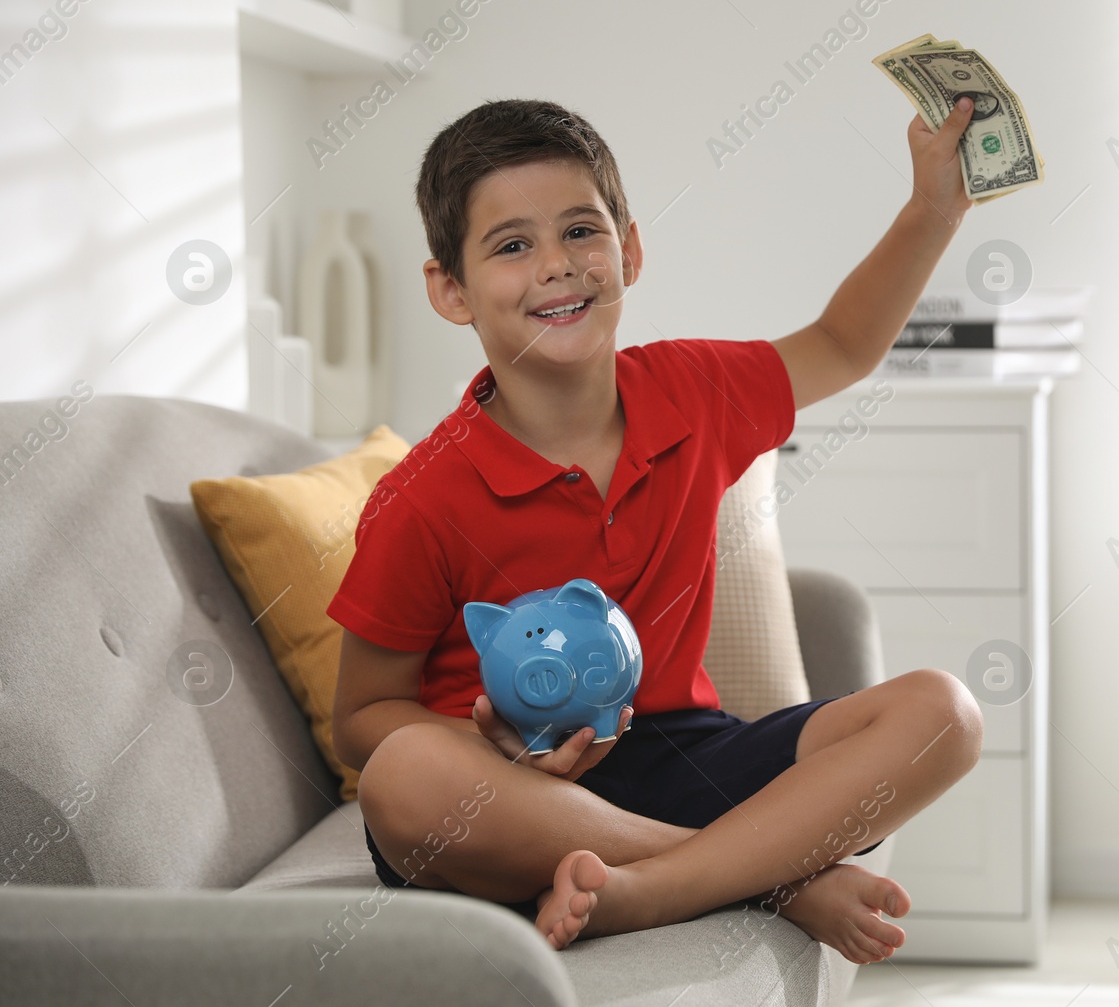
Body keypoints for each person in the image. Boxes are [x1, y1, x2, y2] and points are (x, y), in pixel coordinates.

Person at [327, 94, 984, 962]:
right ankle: (775, 877)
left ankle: (645, 890)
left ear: (628, 250)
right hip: (507, 792)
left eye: (581, 231)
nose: (557, 266)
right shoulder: (424, 495)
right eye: (512, 245)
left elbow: (842, 343)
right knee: (405, 771)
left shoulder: (694, 390)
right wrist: (495, 747)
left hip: (681, 749)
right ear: (452, 289)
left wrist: (933, 209)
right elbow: (365, 716)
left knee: (946, 711)